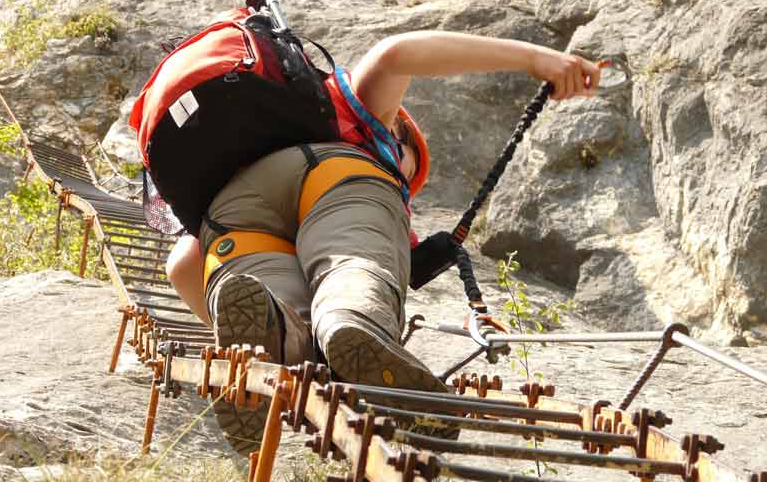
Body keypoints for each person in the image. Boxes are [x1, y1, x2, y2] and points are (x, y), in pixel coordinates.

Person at [166, 30, 600, 450]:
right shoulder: (364, 119)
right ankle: (350, 318)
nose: (409, 182)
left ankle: (284, 337)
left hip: (233, 213)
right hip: (334, 176)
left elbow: (183, 263)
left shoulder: (259, 138)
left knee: (274, 310)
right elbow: (397, 52)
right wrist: (535, 59)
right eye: (412, 169)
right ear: (401, 137)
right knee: (351, 266)